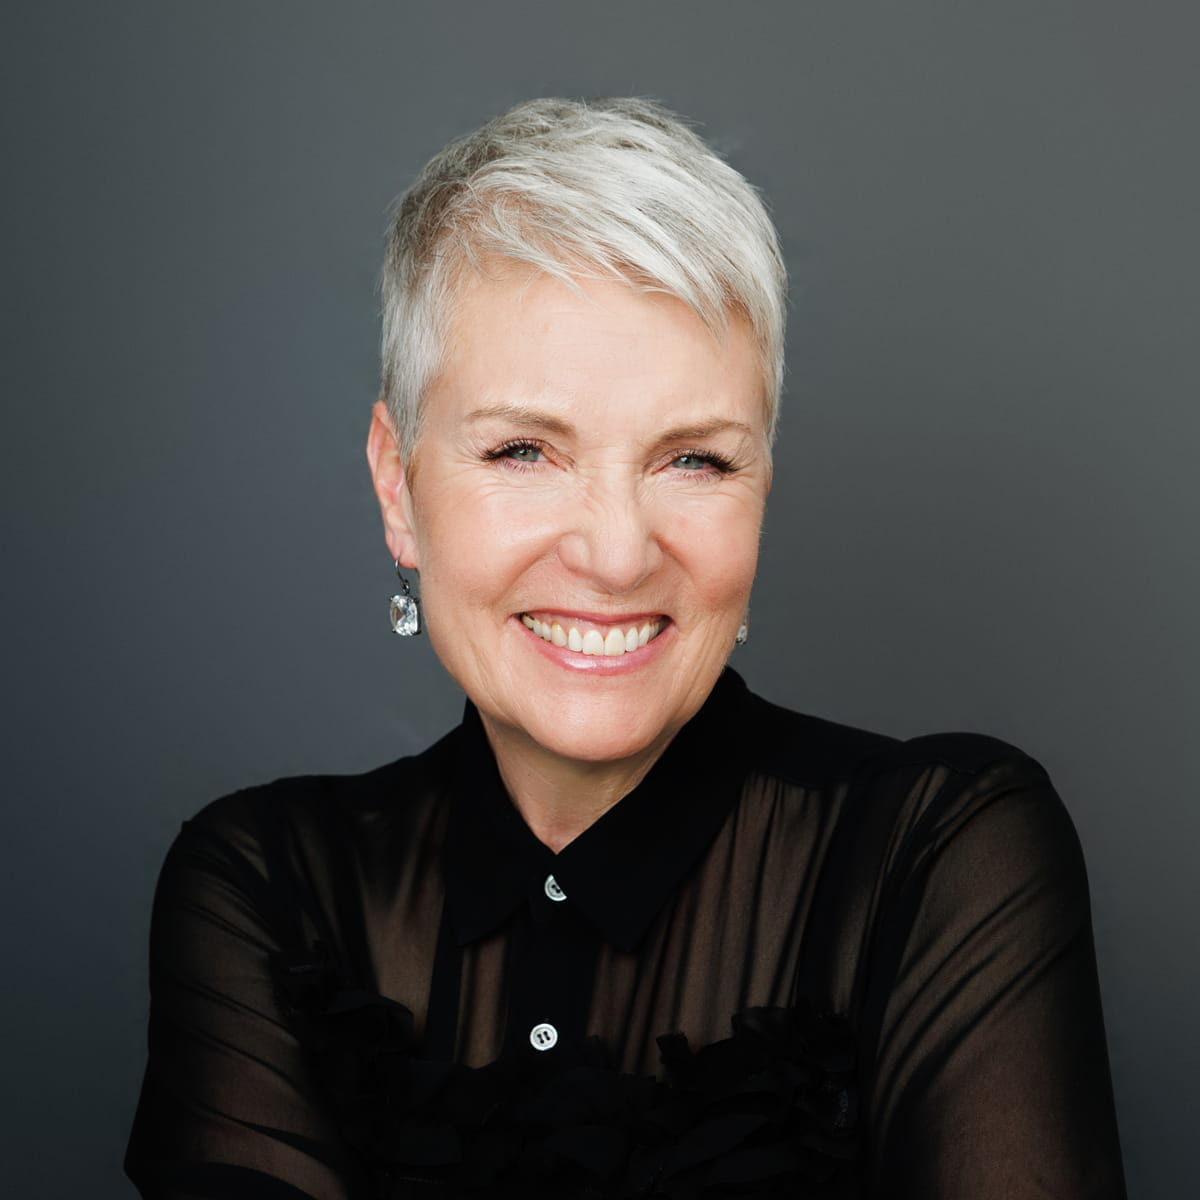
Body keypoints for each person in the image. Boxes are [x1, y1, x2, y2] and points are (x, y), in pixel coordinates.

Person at [125, 98, 1126, 1199]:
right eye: (523, 450)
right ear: (395, 487)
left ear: (763, 490)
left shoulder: (941, 856)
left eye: (693, 461)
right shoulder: (269, 892)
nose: (614, 553)